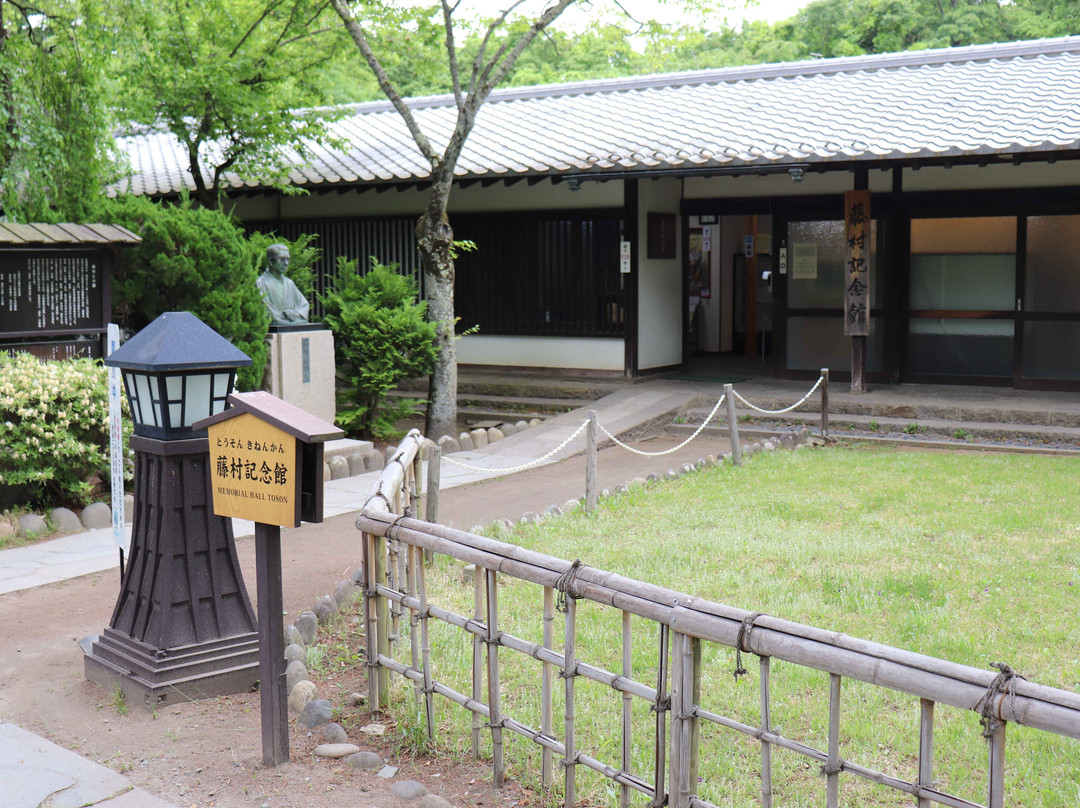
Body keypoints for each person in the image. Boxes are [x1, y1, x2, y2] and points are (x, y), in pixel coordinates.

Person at [256, 244, 309, 325]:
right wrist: (285, 317)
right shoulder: (261, 283)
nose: (286, 263)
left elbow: (304, 305)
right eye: (282, 259)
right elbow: (268, 311)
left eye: (288, 259)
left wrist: (297, 313)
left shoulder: (290, 283)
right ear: (270, 261)